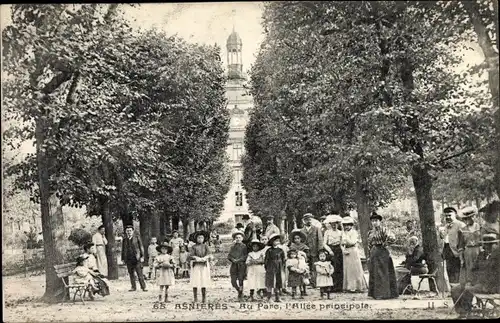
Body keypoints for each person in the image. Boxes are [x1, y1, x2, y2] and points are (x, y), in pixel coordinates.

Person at [450, 233, 500, 318]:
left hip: (492, 286)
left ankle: (467, 312)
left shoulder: (498, 258)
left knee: (468, 289)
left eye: (491, 245)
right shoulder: (481, 255)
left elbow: (496, 276)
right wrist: (469, 281)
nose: (488, 247)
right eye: (486, 245)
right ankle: (463, 312)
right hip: (478, 284)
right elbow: (474, 270)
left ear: (496, 245)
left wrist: (483, 285)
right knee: (455, 289)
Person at [367, 211, 398, 299]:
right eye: (373, 221)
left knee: (383, 272)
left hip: (383, 252)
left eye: (376, 221)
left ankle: (384, 293)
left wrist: (385, 243)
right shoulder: (370, 232)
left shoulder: (384, 230)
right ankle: (375, 293)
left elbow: (392, 238)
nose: (374, 223)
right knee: (375, 272)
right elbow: (369, 244)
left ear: (379, 221)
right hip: (374, 252)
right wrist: (369, 254)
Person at [439, 207, 466, 284]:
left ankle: (458, 291)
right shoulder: (446, 226)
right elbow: (444, 238)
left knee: (457, 272)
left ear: (455, 215)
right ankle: (452, 291)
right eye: (446, 216)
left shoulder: (461, 225)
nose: (447, 217)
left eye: (449, 215)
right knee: (449, 271)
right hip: (447, 252)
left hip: (457, 252)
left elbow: (463, 240)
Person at [341, 216, 367, 293]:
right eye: (345, 225)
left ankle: (358, 286)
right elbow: (341, 243)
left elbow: (352, 242)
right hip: (346, 251)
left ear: (351, 225)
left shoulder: (354, 232)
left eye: (348, 225)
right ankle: (349, 287)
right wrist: (343, 249)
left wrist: (346, 238)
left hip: (353, 251)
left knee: (355, 269)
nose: (347, 227)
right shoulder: (343, 233)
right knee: (348, 269)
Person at [457, 206, 481, 285]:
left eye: (472, 217)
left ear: (475, 216)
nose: (470, 219)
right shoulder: (462, 230)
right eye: (467, 218)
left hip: (479, 251)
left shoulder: (480, 227)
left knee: (479, 270)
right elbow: (460, 246)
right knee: (469, 271)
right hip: (468, 253)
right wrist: (461, 259)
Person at [121, 225, 147, 292]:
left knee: (139, 273)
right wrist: (123, 259)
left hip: (136, 258)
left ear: (133, 231)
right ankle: (133, 287)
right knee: (131, 273)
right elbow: (123, 249)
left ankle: (143, 287)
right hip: (128, 259)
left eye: (130, 230)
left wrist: (142, 256)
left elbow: (141, 247)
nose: (129, 232)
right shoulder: (125, 239)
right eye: (127, 231)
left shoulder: (137, 238)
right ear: (126, 232)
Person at [189, 230, 213, 303]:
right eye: (198, 238)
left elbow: (209, 254)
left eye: (202, 238)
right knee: (195, 281)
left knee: (203, 281)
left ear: (204, 239)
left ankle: (204, 298)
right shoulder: (193, 247)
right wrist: (196, 258)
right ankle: (195, 297)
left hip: (204, 265)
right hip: (196, 265)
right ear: (196, 239)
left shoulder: (205, 246)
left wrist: (205, 258)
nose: (200, 239)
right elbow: (191, 255)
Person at [300, 213, 323, 288]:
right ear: (304, 221)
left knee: (315, 266)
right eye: (307, 220)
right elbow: (300, 241)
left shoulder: (316, 229)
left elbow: (320, 240)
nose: (308, 221)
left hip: (314, 251)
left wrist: (320, 250)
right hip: (305, 251)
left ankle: (315, 282)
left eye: (310, 219)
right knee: (306, 267)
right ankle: (307, 282)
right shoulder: (301, 231)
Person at [323, 215, 344, 293]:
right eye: (332, 223)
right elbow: (324, 243)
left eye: (336, 223)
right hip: (330, 250)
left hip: (338, 250)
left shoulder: (340, 232)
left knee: (339, 268)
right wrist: (330, 250)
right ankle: (330, 286)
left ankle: (338, 287)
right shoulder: (327, 232)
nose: (334, 225)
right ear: (330, 224)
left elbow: (342, 243)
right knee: (330, 268)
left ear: (338, 224)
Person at [264, 233, 286, 302]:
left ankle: (277, 297)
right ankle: (269, 297)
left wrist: (282, 266)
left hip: (279, 267)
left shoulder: (280, 250)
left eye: (278, 241)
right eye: (275, 241)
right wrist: (267, 267)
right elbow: (266, 260)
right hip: (271, 267)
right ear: (272, 242)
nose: (277, 242)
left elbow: (283, 259)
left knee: (278, 282)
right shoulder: (269, 250)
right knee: (270, 282)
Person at [228, 231, 248, 302]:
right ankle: (238, 290)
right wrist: (233, 260)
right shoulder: (233, 247)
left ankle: (240, 293)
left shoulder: (244, 246)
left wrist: (239, 260)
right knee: (233, 281)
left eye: (239, 237)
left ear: (242, 238)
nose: (238, 239)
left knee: (240, 280)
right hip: (234, 265)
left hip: (241, 265)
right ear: (234, 239)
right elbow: (229, 256)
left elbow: (246, 256)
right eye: (236, 238)